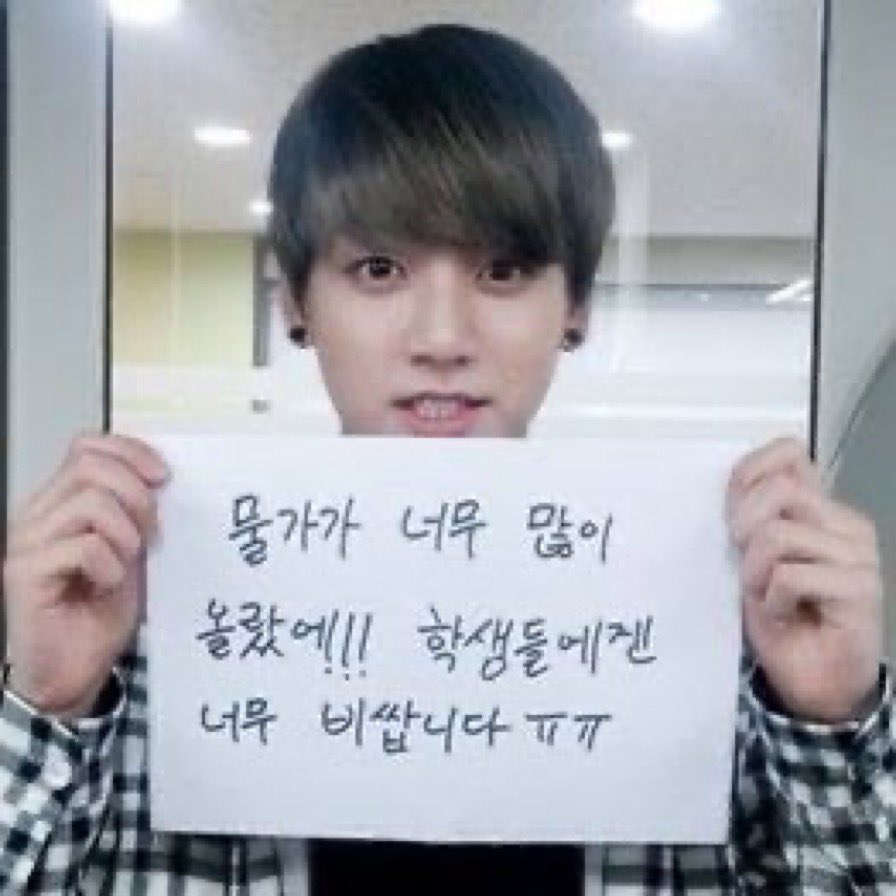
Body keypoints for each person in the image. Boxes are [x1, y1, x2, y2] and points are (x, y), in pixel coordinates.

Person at [0, 23, 889, 895]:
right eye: (378, 270)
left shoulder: (704, 631)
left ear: (575, 306)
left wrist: (829, 721)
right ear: (295, 303)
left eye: (502, 272)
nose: (441, 339)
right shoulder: (158, 629)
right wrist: (50, 704)